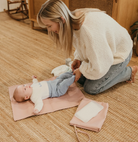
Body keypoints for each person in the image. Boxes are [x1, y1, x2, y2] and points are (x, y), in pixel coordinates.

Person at [37, 0, 138, 95]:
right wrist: (78, 58)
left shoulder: (89, 31)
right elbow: (82, 44)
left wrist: (82, 70)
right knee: (81, 79)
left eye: (49, 26)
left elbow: (101, 64)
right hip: (105, 52)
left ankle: (128, 72)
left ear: (61, 20)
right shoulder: (72, 20)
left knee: (91, 88)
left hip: (120, 53)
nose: (49, 30)